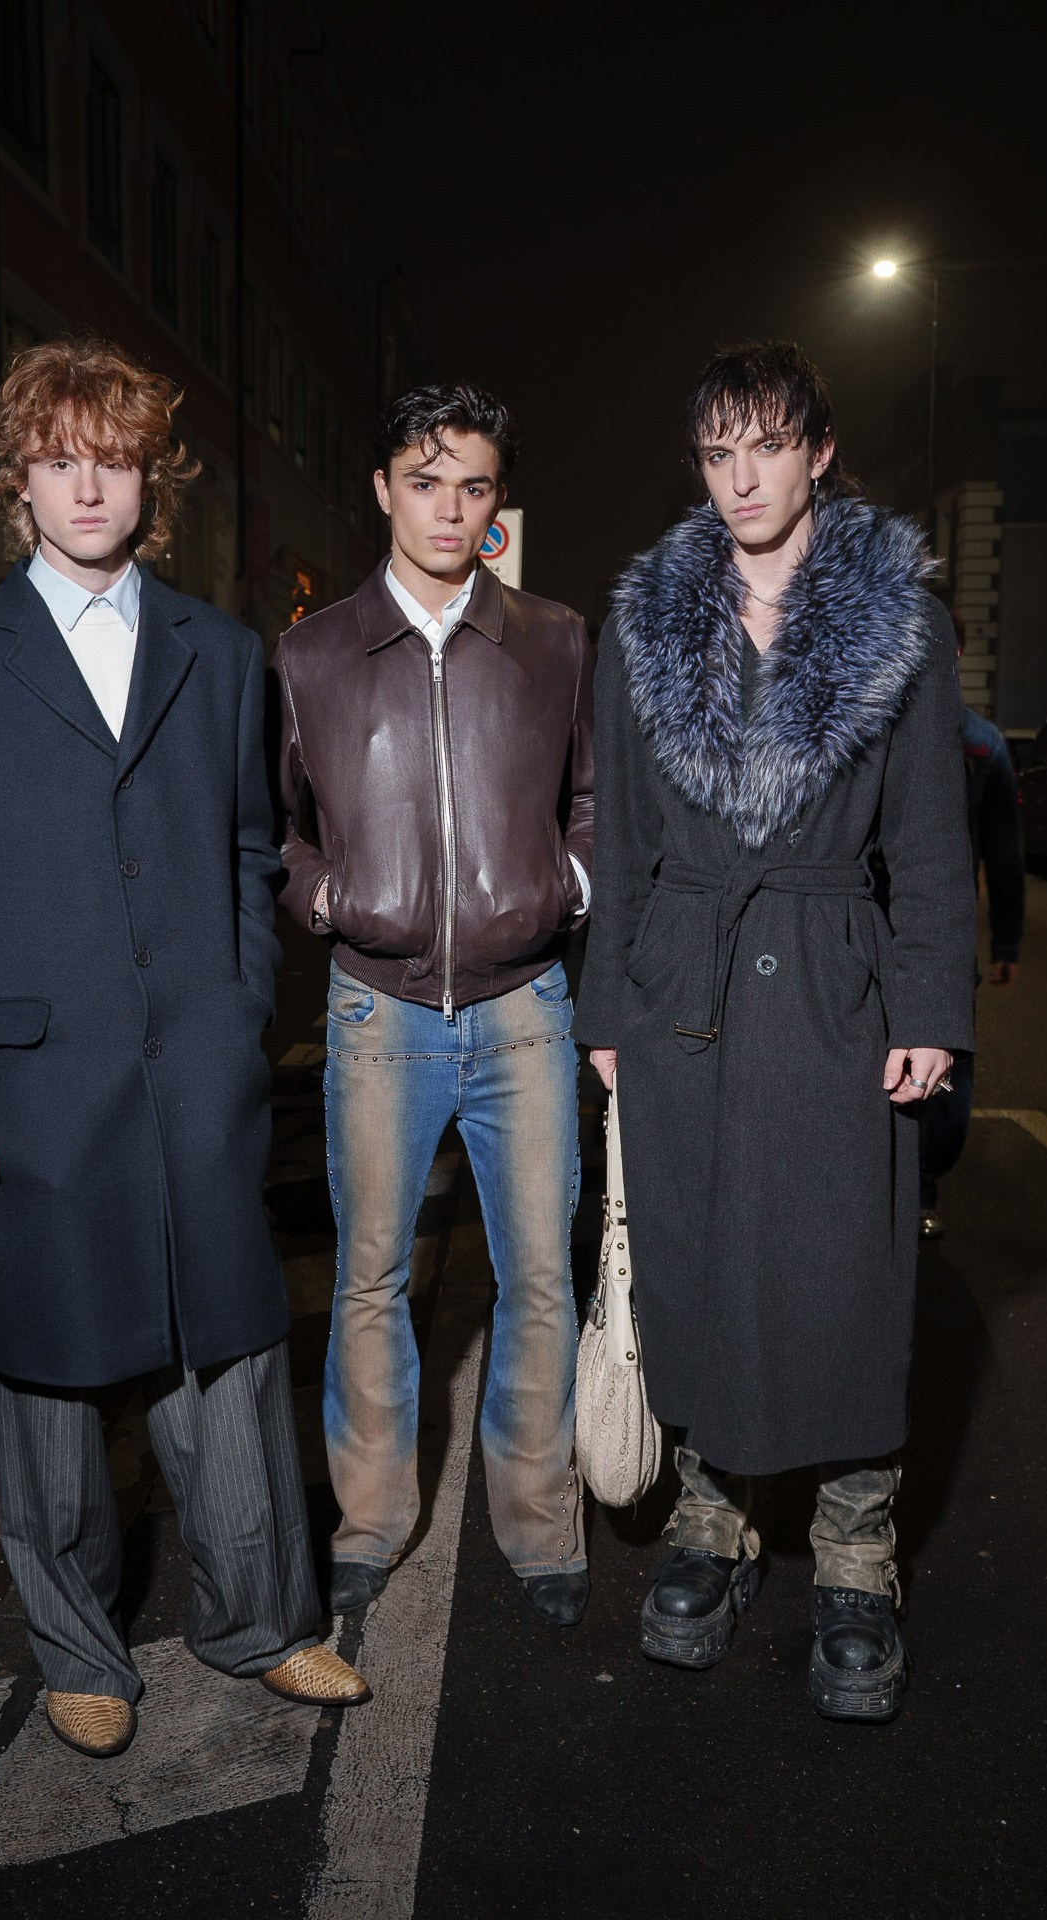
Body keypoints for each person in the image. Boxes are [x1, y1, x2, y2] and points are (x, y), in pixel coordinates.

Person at [0, 335, 367, 1761]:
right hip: (32, 1077)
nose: (87, 483)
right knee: (47, 1375)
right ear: (17, 482)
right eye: (58, 457)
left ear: (150, 478)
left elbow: (241, 851)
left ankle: (261, 1623)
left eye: (113, 457)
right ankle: (79, 1648)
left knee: (226, 1342)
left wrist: (237, 1017)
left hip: (193, 1061)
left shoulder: (219, 651)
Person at [573, 341, 975, 1722]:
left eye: (765, 444)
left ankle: (858, 1552)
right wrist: (609, 1005)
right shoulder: (649, 621)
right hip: (684, 984)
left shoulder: (899, 621)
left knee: (848, 1274)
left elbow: (928, 840)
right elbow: (619, 840)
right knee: (694, 1258)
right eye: (715, 451)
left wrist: (928, 1004)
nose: (740, 476)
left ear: (817, 448)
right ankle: (713, 1517)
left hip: (829, 979)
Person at [274, 383, 594, 1626]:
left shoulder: (557, 637)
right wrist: (325, 900)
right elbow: (274, 828)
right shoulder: (310, 652)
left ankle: (539, 1524)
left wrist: (564, 884)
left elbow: (591, 798)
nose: (450, 508)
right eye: (425, 481)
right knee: (366, 1281)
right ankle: (368, 1519)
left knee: (538, 1281)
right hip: (375, 1009)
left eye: (473, 485)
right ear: (381, 490)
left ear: (494, 495)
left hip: (524, 1005)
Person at [917, 617, 1025, 1238]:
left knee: (946, 1078)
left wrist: (1006, 942)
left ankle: (923, 1184)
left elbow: (1005, 856)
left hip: (947, 937)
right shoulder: (869, 724)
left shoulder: (981, 744)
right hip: (872, 929)